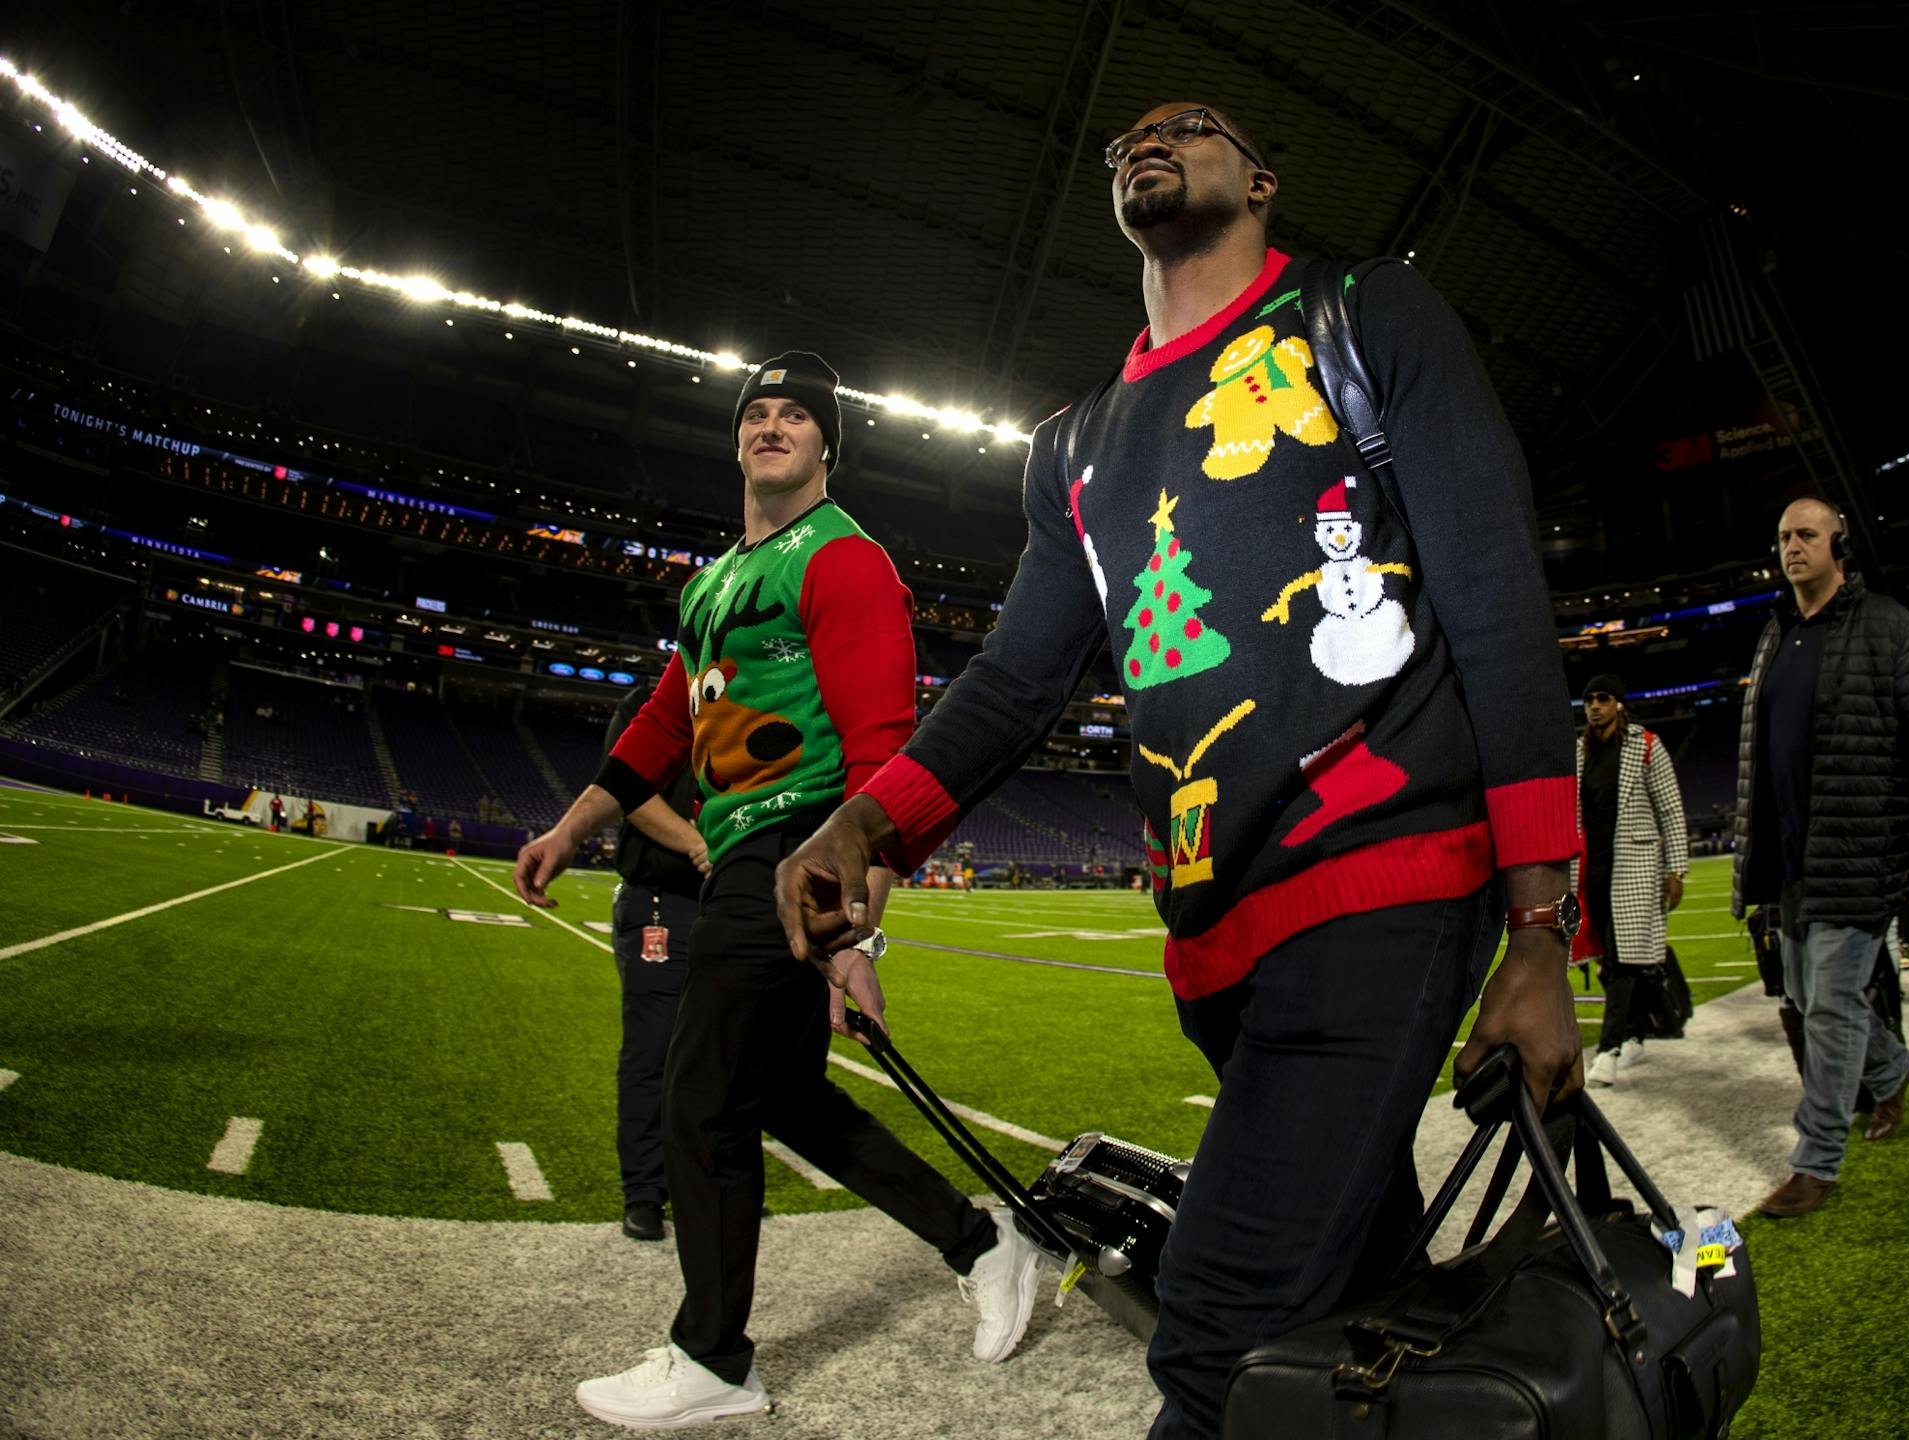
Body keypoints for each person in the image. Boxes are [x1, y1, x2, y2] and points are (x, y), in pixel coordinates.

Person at [774, 102, 1583, 1440]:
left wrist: (1542, 929)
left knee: (1213, 1331)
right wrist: (869, 825)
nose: (1150, 139)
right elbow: (1016, 680)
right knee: (1351, 1315)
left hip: (1381, 879)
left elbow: (1494, 593)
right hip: (1215, 936)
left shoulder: (1362, 314)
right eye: (1126, 141)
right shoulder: (1074, 444)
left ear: (1261, 179)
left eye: (1193, 126)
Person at [513, 352, 1039, 1430]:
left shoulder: (843, 557)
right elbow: (664, 726)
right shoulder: (713, 584)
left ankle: (712, 1356)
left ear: (827, 443)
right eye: (757, 412)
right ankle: (982, 1243)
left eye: (797, 414)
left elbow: (883, 746)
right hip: (744, 847)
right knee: (784, 1096)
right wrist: (572, 827)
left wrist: (859, 928)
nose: (773, 426)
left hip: (796, 842)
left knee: (699, 1092)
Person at [1732, 498, 1909, 1219]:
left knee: (1832, 1003)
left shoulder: (1887, 625)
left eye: (1807, 534)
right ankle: (1893, 1066)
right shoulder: (1777, 632)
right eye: (1784, 537)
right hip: (1794, 855)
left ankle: (1816, 1162)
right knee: (1808, 994)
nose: (1793, 546)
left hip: (1862, 847)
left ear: (1838, 545)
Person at [601, 679, 710, 1243]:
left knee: (715, 1056)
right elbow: (627, 787)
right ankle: (645, 1191)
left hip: (725, 906)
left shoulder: (743, 700)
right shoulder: (648, 703)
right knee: (652, 1052)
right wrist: (697, 843)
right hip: (661, 902)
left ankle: (707, 1180)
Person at [1572, 674, 1690, 1087]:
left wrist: (1675, 869)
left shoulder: (1646, 745)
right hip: (1593, 870)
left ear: (1619, 704)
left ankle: (1609, 1049)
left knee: (1624, 959)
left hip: (1635, 866)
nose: (1595, 705)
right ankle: (1636, 1031)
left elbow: (1670, 809)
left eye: (1603, 698)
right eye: (1589, 699)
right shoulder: (1580, 751)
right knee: (1606, 959)